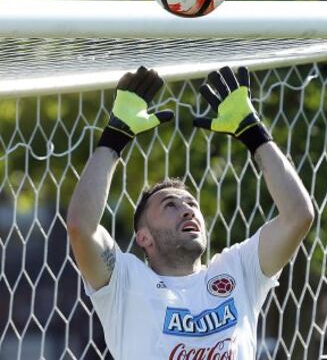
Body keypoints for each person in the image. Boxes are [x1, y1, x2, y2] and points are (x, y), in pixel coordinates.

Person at [67, 65, 314, 359]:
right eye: (170, 205)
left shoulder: (239, 270)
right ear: (143, 237)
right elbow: (81, 227)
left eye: (191, 204)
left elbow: (298, 216)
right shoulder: (125, 283)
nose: (187, 210)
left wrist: (253, 132)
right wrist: (115, 137)